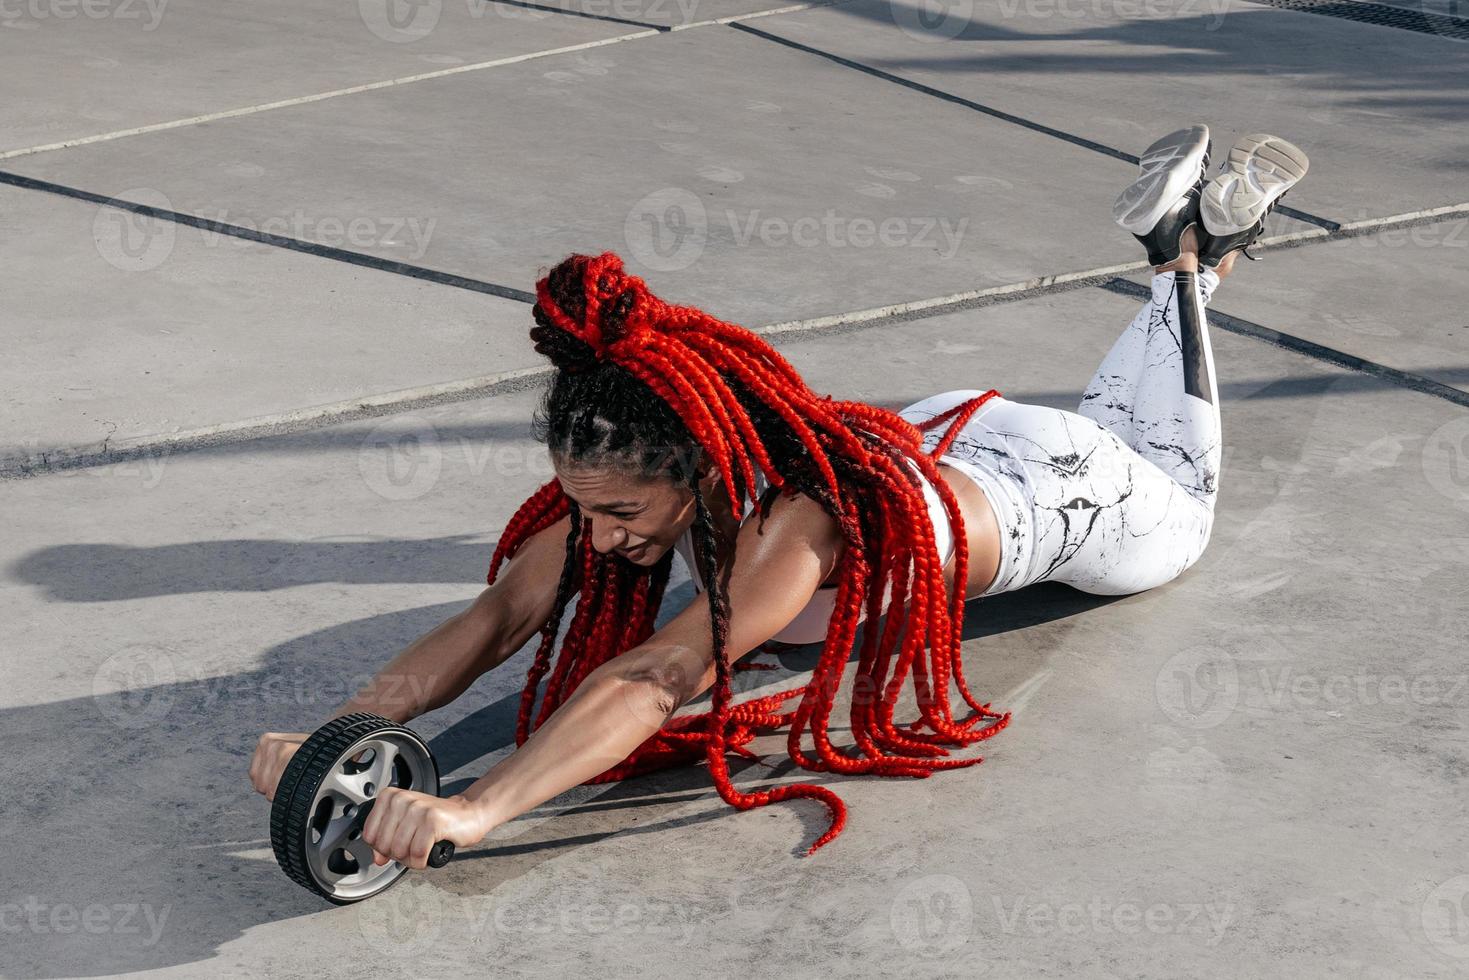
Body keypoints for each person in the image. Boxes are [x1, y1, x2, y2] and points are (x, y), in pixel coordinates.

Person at [249, 125, 1308, 866]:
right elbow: (500, 615)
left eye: (623, 516)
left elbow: (661, 670)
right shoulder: (641, 467)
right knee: (1129, 417)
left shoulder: (795, 520)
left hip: (1058, 487)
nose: (602, 537)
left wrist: (478, 810)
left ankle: (1185, 263)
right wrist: (343, 728)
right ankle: (1197, 240)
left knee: (1171, 486)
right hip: (937, 436)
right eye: (589, 509)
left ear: (698, 465)